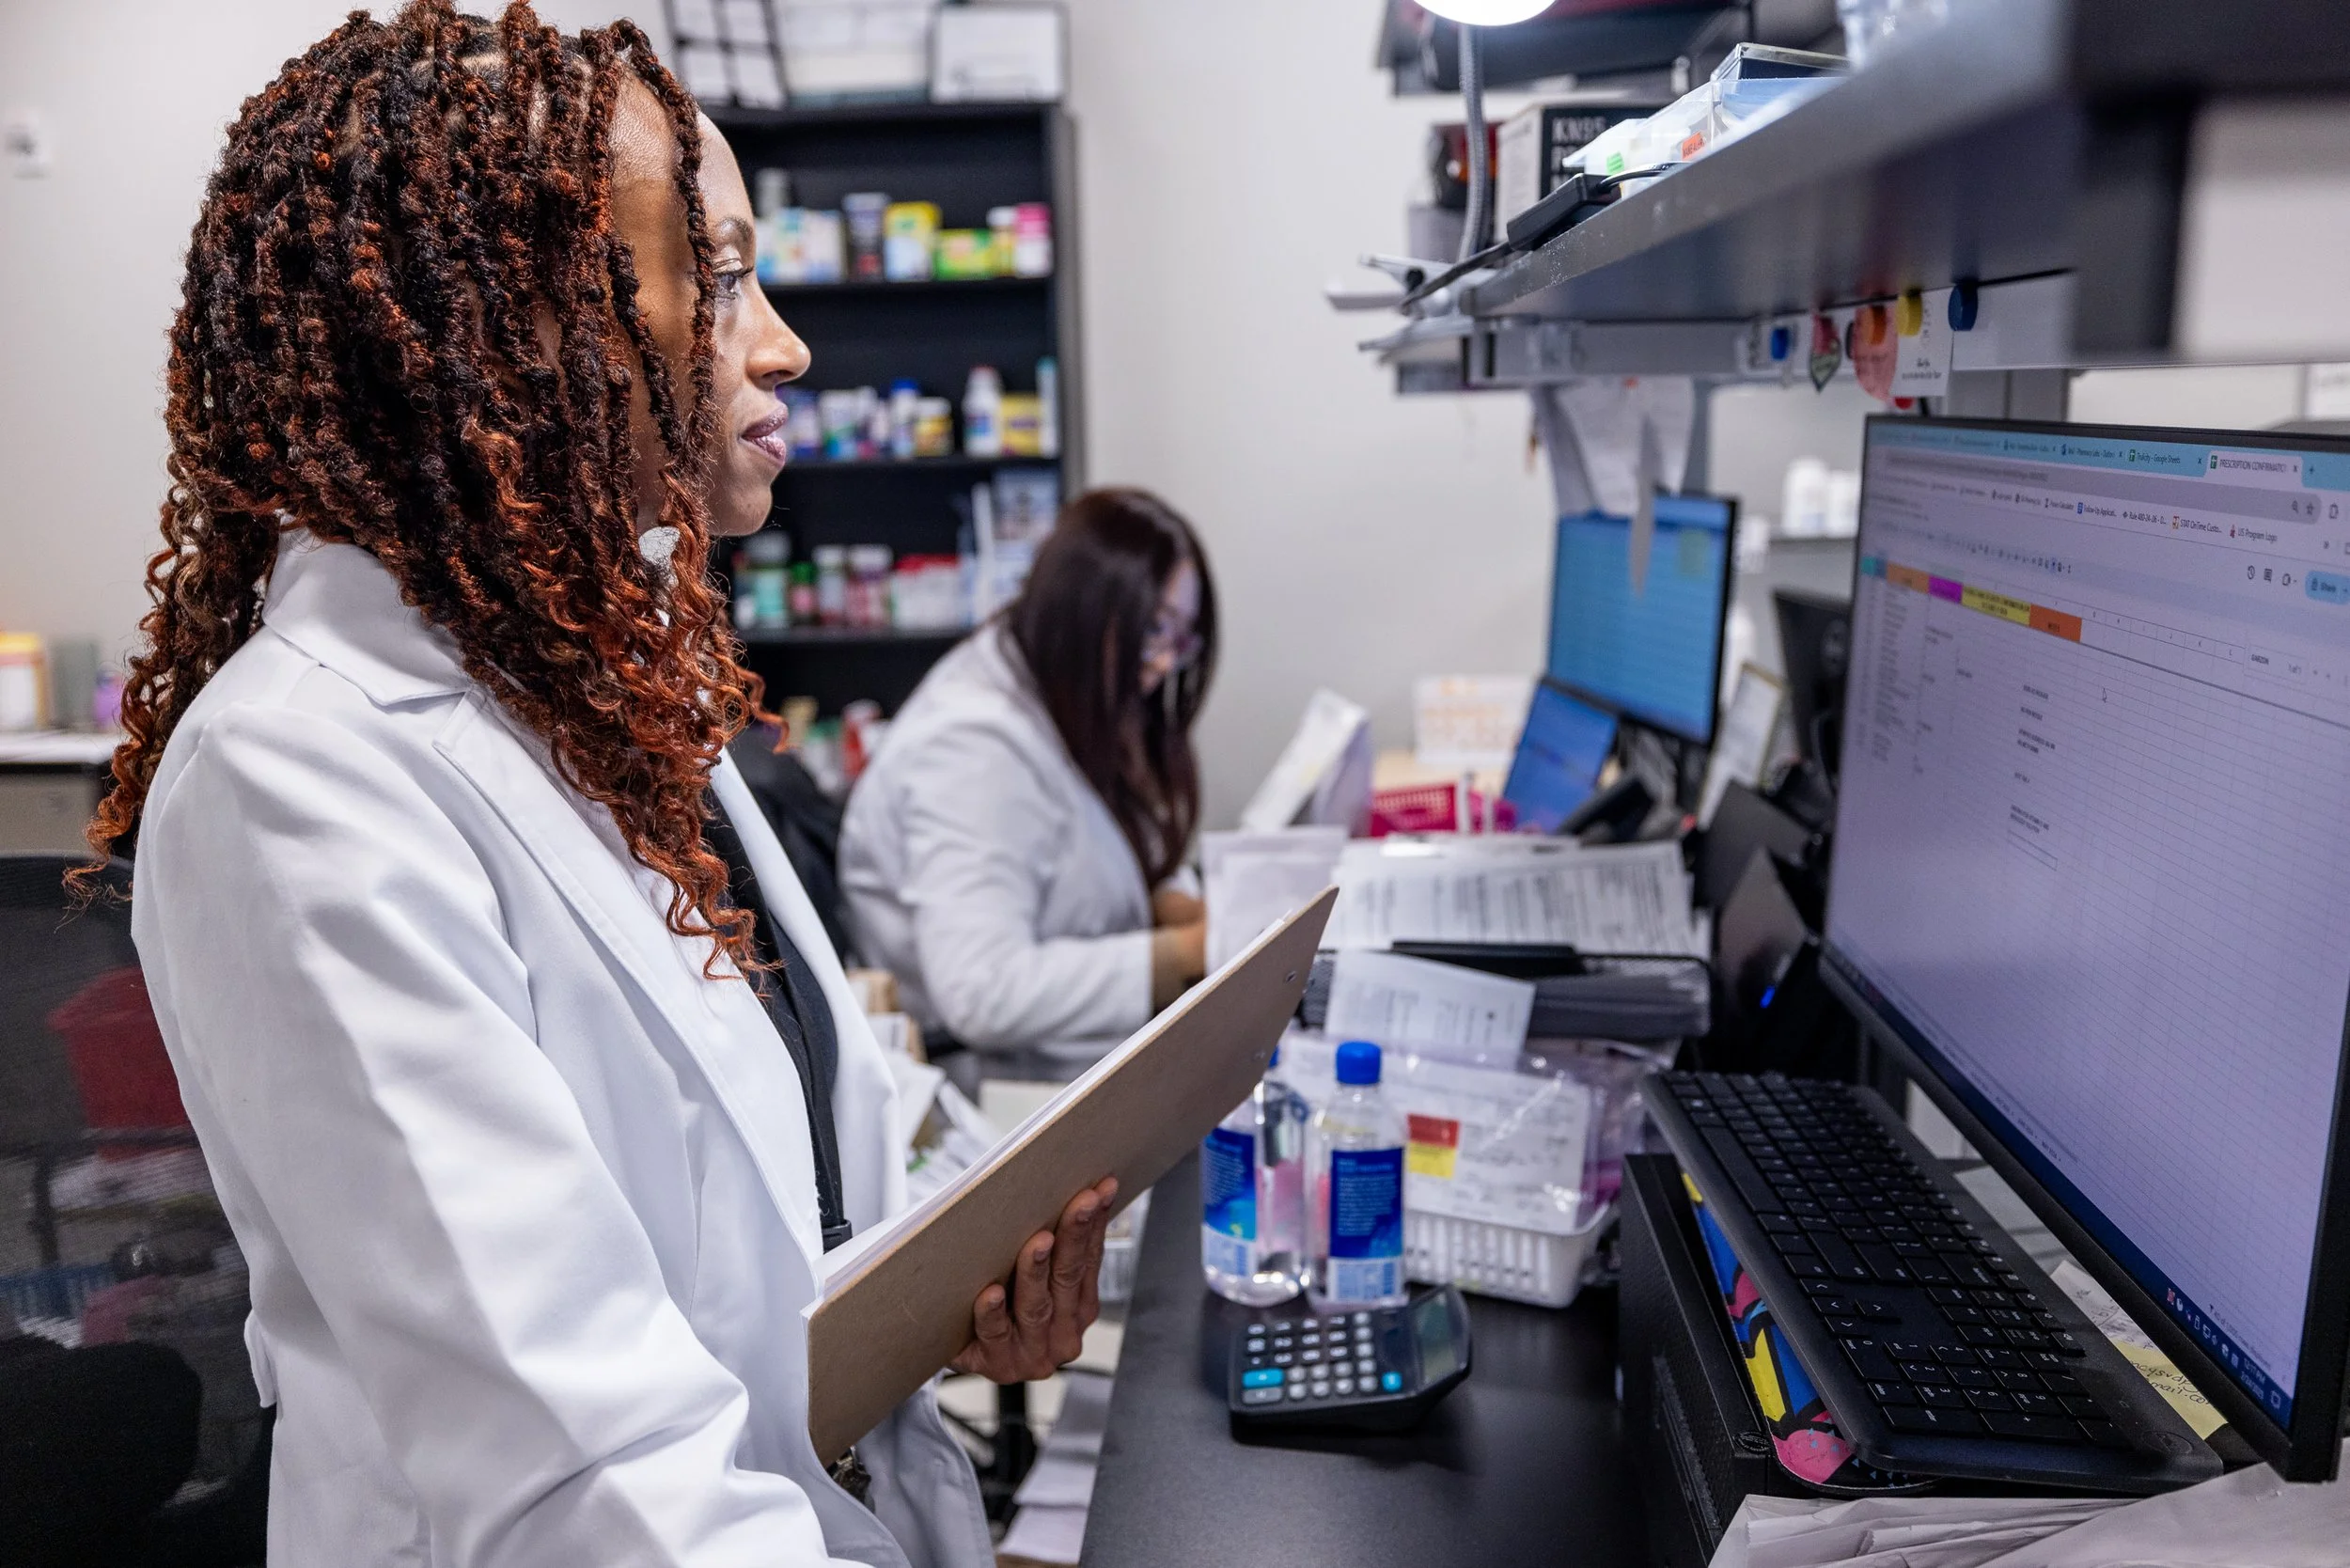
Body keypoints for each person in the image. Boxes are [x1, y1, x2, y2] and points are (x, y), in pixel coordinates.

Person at [93, 7, 1111, 1564]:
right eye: (714, 276)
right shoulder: (296, 777)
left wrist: (952, 1298)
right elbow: (586, 1486)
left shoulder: (599, 668)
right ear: (501, 326)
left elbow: (777, 1156)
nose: (782, 341)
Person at [840, 488, 1219, 1081]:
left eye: (1182, 637)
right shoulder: (972, 746)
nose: (1167, 662)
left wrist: (1172, 899)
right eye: (1155, 630)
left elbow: (1100, 835)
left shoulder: (1061, 686)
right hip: (999, 1094)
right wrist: (1182, 956)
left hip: (1077, 1063)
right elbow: (983, 991)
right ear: (1085, 610)